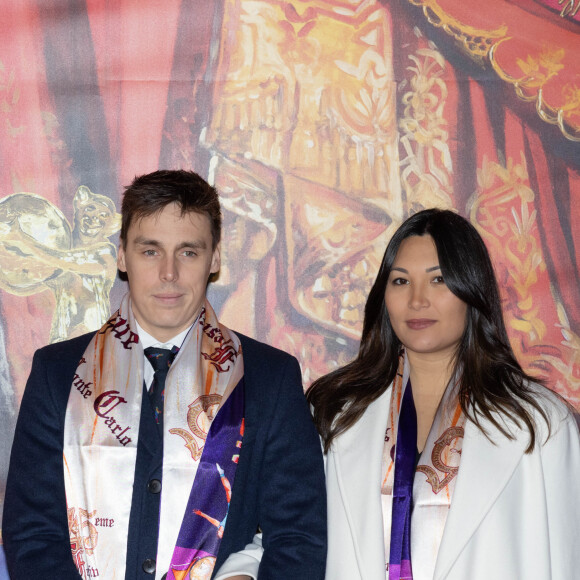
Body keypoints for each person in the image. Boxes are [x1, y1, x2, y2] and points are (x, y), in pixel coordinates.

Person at [3, 169, 327, 580]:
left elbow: (299, 539)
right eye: (150, 251)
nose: (169, 273)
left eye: (188, 252)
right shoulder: (57, 372)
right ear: (121, 255)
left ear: (216, 259)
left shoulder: (269, 377)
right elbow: (30, 533)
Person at [306, 208, 580, 580]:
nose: (417, 300)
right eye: (401, 281)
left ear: (471, 289)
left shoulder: (541, 422)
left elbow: (567, 560)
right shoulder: (334, 412)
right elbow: (289, 535)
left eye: (438, 280)